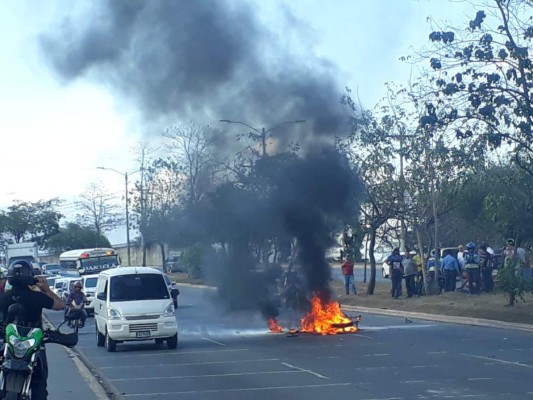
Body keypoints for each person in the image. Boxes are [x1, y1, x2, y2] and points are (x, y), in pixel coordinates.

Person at [0, 260, 64, 400]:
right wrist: (46, 289)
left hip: (9, 343)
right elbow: (60, 305)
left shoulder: (3, 298)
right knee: (39, 384)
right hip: (33, 346)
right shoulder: (37, 297)